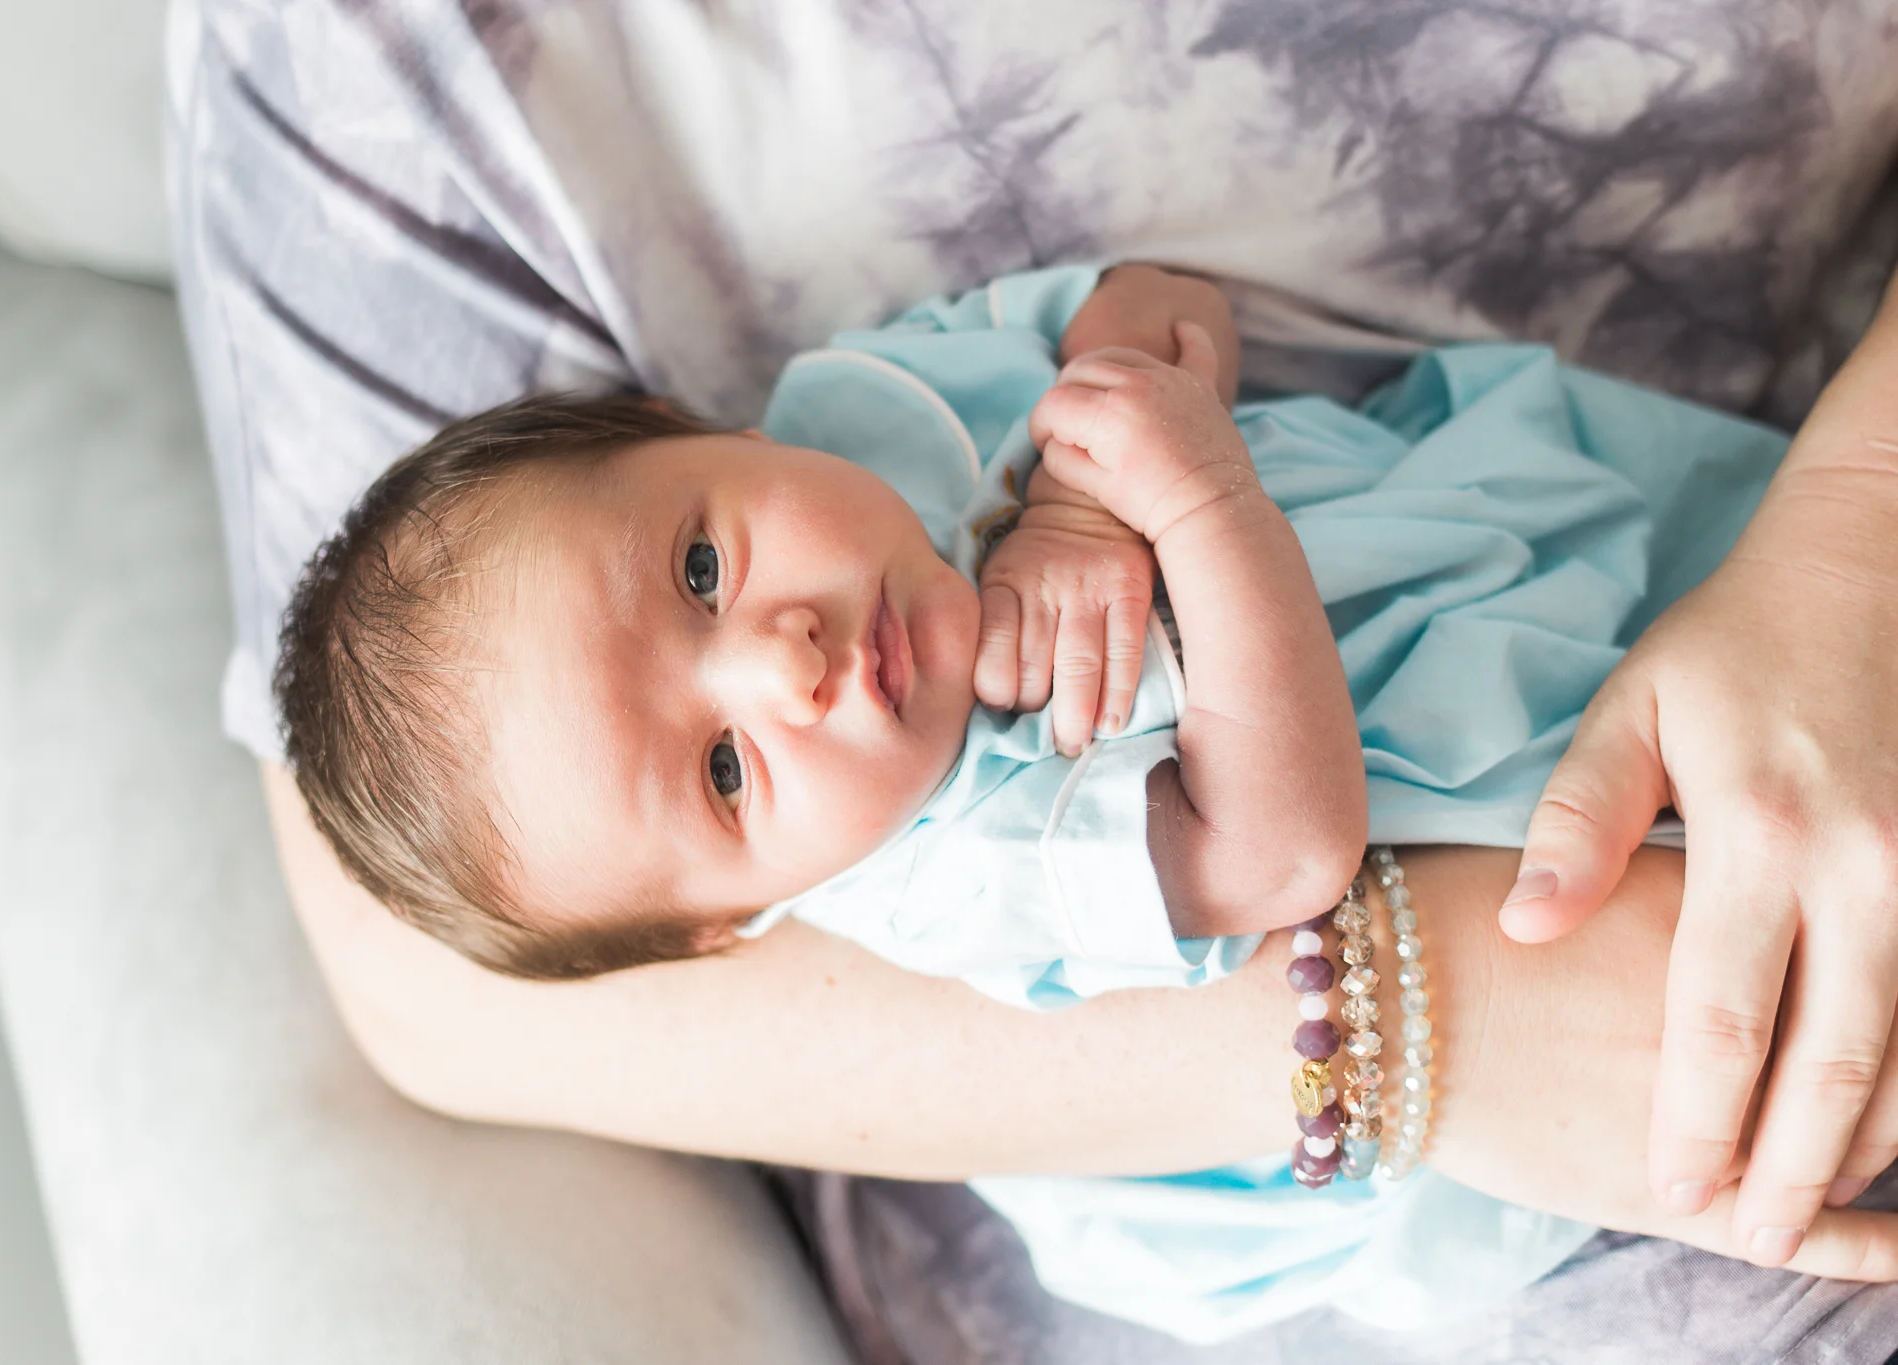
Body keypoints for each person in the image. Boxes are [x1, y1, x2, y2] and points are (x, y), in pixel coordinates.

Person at [171, 0, 1898, 1354]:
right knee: (1757, 982)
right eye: (724, 773)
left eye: (699, 567)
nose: (779, 659)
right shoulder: (963, 870)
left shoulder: (869, 413)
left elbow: (1152, 305)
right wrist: (1191, 506)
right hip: (1414, 819)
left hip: (1493, 561)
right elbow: (1286, 855)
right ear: (734, 921)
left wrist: (1077, 488)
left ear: (690, 431)